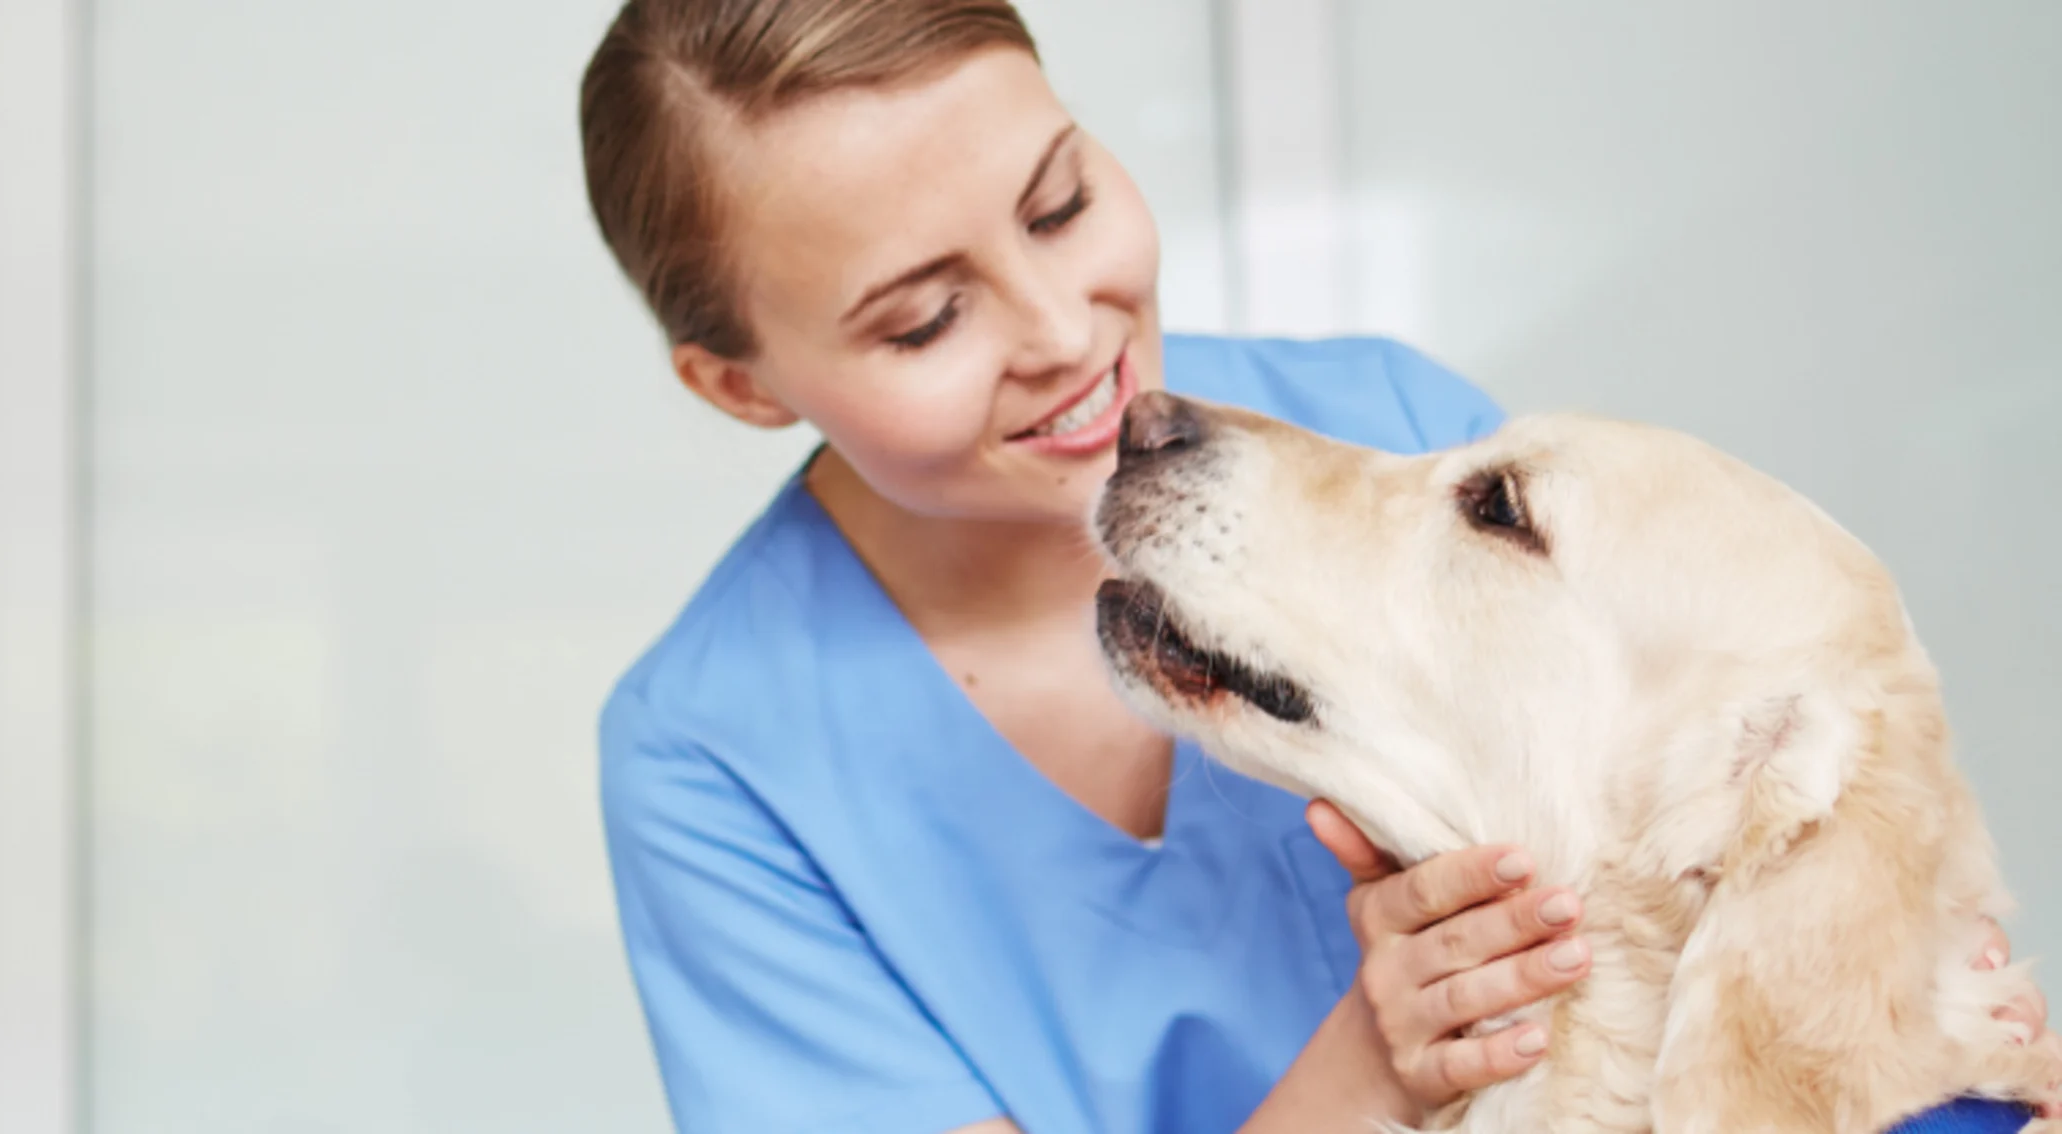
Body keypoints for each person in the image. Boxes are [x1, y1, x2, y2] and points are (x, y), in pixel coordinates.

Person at [576, 2, 2052, 1132]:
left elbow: (1729, 915)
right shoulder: (713, 755)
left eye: (1057, 203)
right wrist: (1366, 1073)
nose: (1066, 332)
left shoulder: (1393, 433)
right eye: (919, 321)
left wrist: (1927, 1030)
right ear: (739, 383)